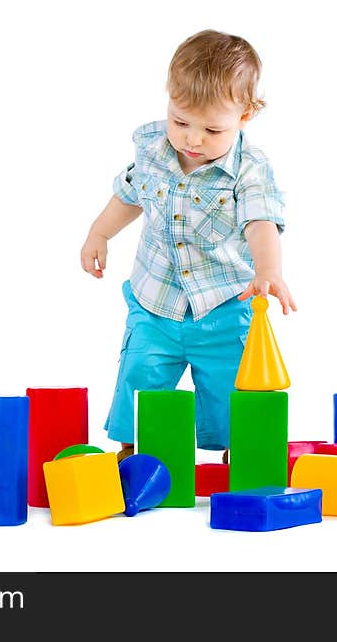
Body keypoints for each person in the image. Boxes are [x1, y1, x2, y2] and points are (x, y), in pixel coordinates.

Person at [79, 29, 296, 463]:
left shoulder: (249, 170)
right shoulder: (154, 150)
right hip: (155, 300)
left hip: (223, 304)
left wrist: (268, 271)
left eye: (212, 129)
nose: (192, 140)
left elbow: (260, 222)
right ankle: (131, 451)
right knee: (140, 375)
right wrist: (99, 233)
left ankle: (240, 453)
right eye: (180, 121)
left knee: (231, 385)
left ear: (245, 116)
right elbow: (129, 195)